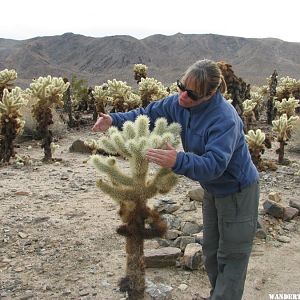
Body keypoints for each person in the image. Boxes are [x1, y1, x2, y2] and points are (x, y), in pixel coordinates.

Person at [92, 59, 259, 300]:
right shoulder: (179, 101)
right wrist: (113, 120)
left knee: (231, 256)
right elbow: (147, 114)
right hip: (213, 190)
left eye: (191, 93)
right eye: (181, 86)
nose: (183, 95)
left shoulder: (224, 119)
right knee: (211, 252)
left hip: (237, 190)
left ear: (210, 93)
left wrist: (177, 160)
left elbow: (214, 165)